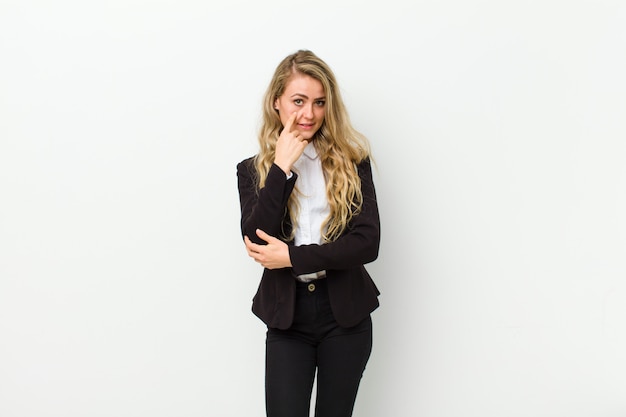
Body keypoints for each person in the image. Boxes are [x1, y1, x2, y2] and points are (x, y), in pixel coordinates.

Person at [236, 49, 381, 417]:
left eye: (319, 103)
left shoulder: (352, 161)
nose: (309, 114)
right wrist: (280, 167)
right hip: (289, 319)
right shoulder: (252, 171)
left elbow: (367, 242)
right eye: (298, 101)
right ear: (277, 103)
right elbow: (256, 239)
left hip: (345, 318)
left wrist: (292, 258)